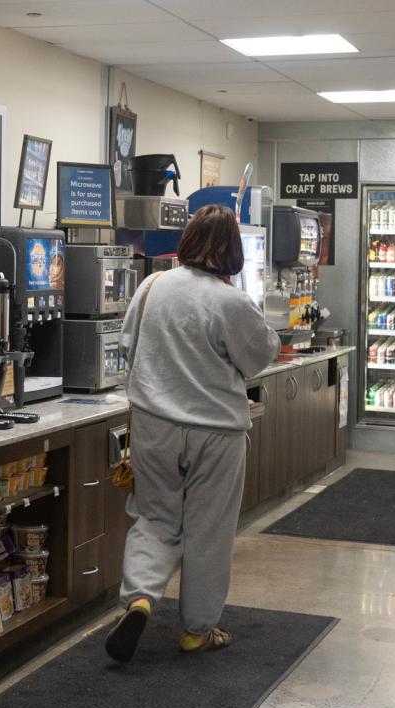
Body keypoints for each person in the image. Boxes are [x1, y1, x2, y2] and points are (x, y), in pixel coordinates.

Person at [105, 204, 279, 662]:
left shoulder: (151, 286)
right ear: (233, 251)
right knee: (208, 530)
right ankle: (197, 630)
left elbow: (126, 346)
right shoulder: (230, 301)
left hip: (154, 425)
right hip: (216, 432)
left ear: (186, 241)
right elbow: (259, 358)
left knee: (154, 516)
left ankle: (138, 599)